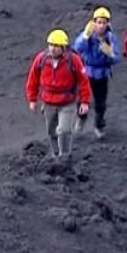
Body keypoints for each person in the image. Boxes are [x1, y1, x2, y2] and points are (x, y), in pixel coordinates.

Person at [25, 28, 90, 159]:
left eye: (56, 46)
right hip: (48, 103)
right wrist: (32, 99)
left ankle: (64, 155)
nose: (52, 48)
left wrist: (84, 101)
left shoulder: (74, 60)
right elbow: (32, 79)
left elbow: (84, 81)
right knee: (51, 131)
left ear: (63, 47)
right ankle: (56, 154)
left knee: (64, 130)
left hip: (67, 102)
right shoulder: (41, 59)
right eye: (51, 45)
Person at [73, 6, 119, 138]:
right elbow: (77, 49)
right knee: (82, 100)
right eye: (99, 22)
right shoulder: (88, 35)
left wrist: (110, 54)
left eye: (104, 22)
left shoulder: (110, 38)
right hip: (87, 73)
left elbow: (116, 58)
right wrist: (85, 36)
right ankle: (81, 120)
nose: (101, 25)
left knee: (101, 103)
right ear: (94, 22)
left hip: (102, 74)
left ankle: (98, 126)